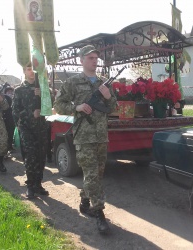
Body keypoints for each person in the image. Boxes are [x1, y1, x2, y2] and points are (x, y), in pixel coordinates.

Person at [53, 45, 117, 233]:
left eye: (96, 57)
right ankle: (99, 214)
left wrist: (107, 97)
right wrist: (77, 107)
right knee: (91, 175)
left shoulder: (104, 83)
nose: (94, 60)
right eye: (90, 58)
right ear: (81, 60)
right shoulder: (73, 82)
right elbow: (58, 104)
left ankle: (84, 201)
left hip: (101, 137)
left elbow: (113, 108)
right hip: (83, 137)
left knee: (96, 174)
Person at [13, 62, 49, 198]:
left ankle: (38, 184)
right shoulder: (19, 90)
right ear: (24, 71)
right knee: (30, 155)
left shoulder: (43, 87)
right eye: (29, 69)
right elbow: (15, 111)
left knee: (41, 156)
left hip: (41, 127)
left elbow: (50, 105)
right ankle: (30, 185)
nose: (31, 72)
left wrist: (43, 96)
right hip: (26, 128)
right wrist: (30, 113)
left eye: (33, 69)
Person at [3, 86, 16, 154]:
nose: (10, 93)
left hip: (12, 119)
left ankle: (10, 146)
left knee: (11, 133)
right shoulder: (4, 98)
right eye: (8, 92)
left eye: (11, 92)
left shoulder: (15, 99)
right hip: (5, 119)